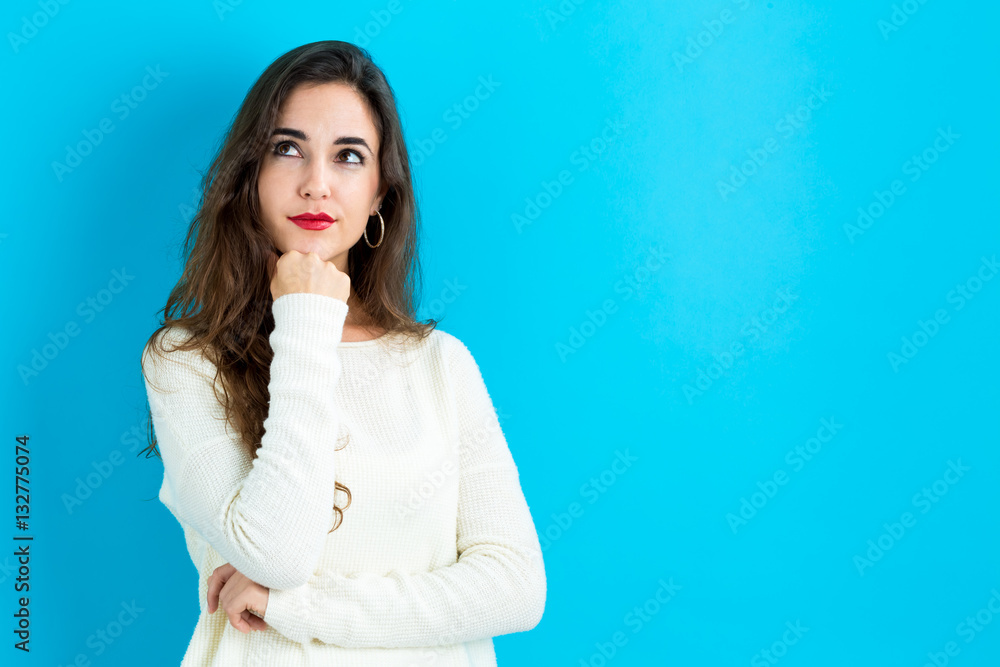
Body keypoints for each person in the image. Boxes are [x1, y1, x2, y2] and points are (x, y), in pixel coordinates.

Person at [139, 40, 545, 666]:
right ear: (250, 175)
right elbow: (277, 552)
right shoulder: (185, 362)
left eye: (349, 156)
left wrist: (294, 608)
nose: (316, 185)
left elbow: (516, 588)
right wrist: (305, 319)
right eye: (287, 148)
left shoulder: (441, 363)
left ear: (382, 192)